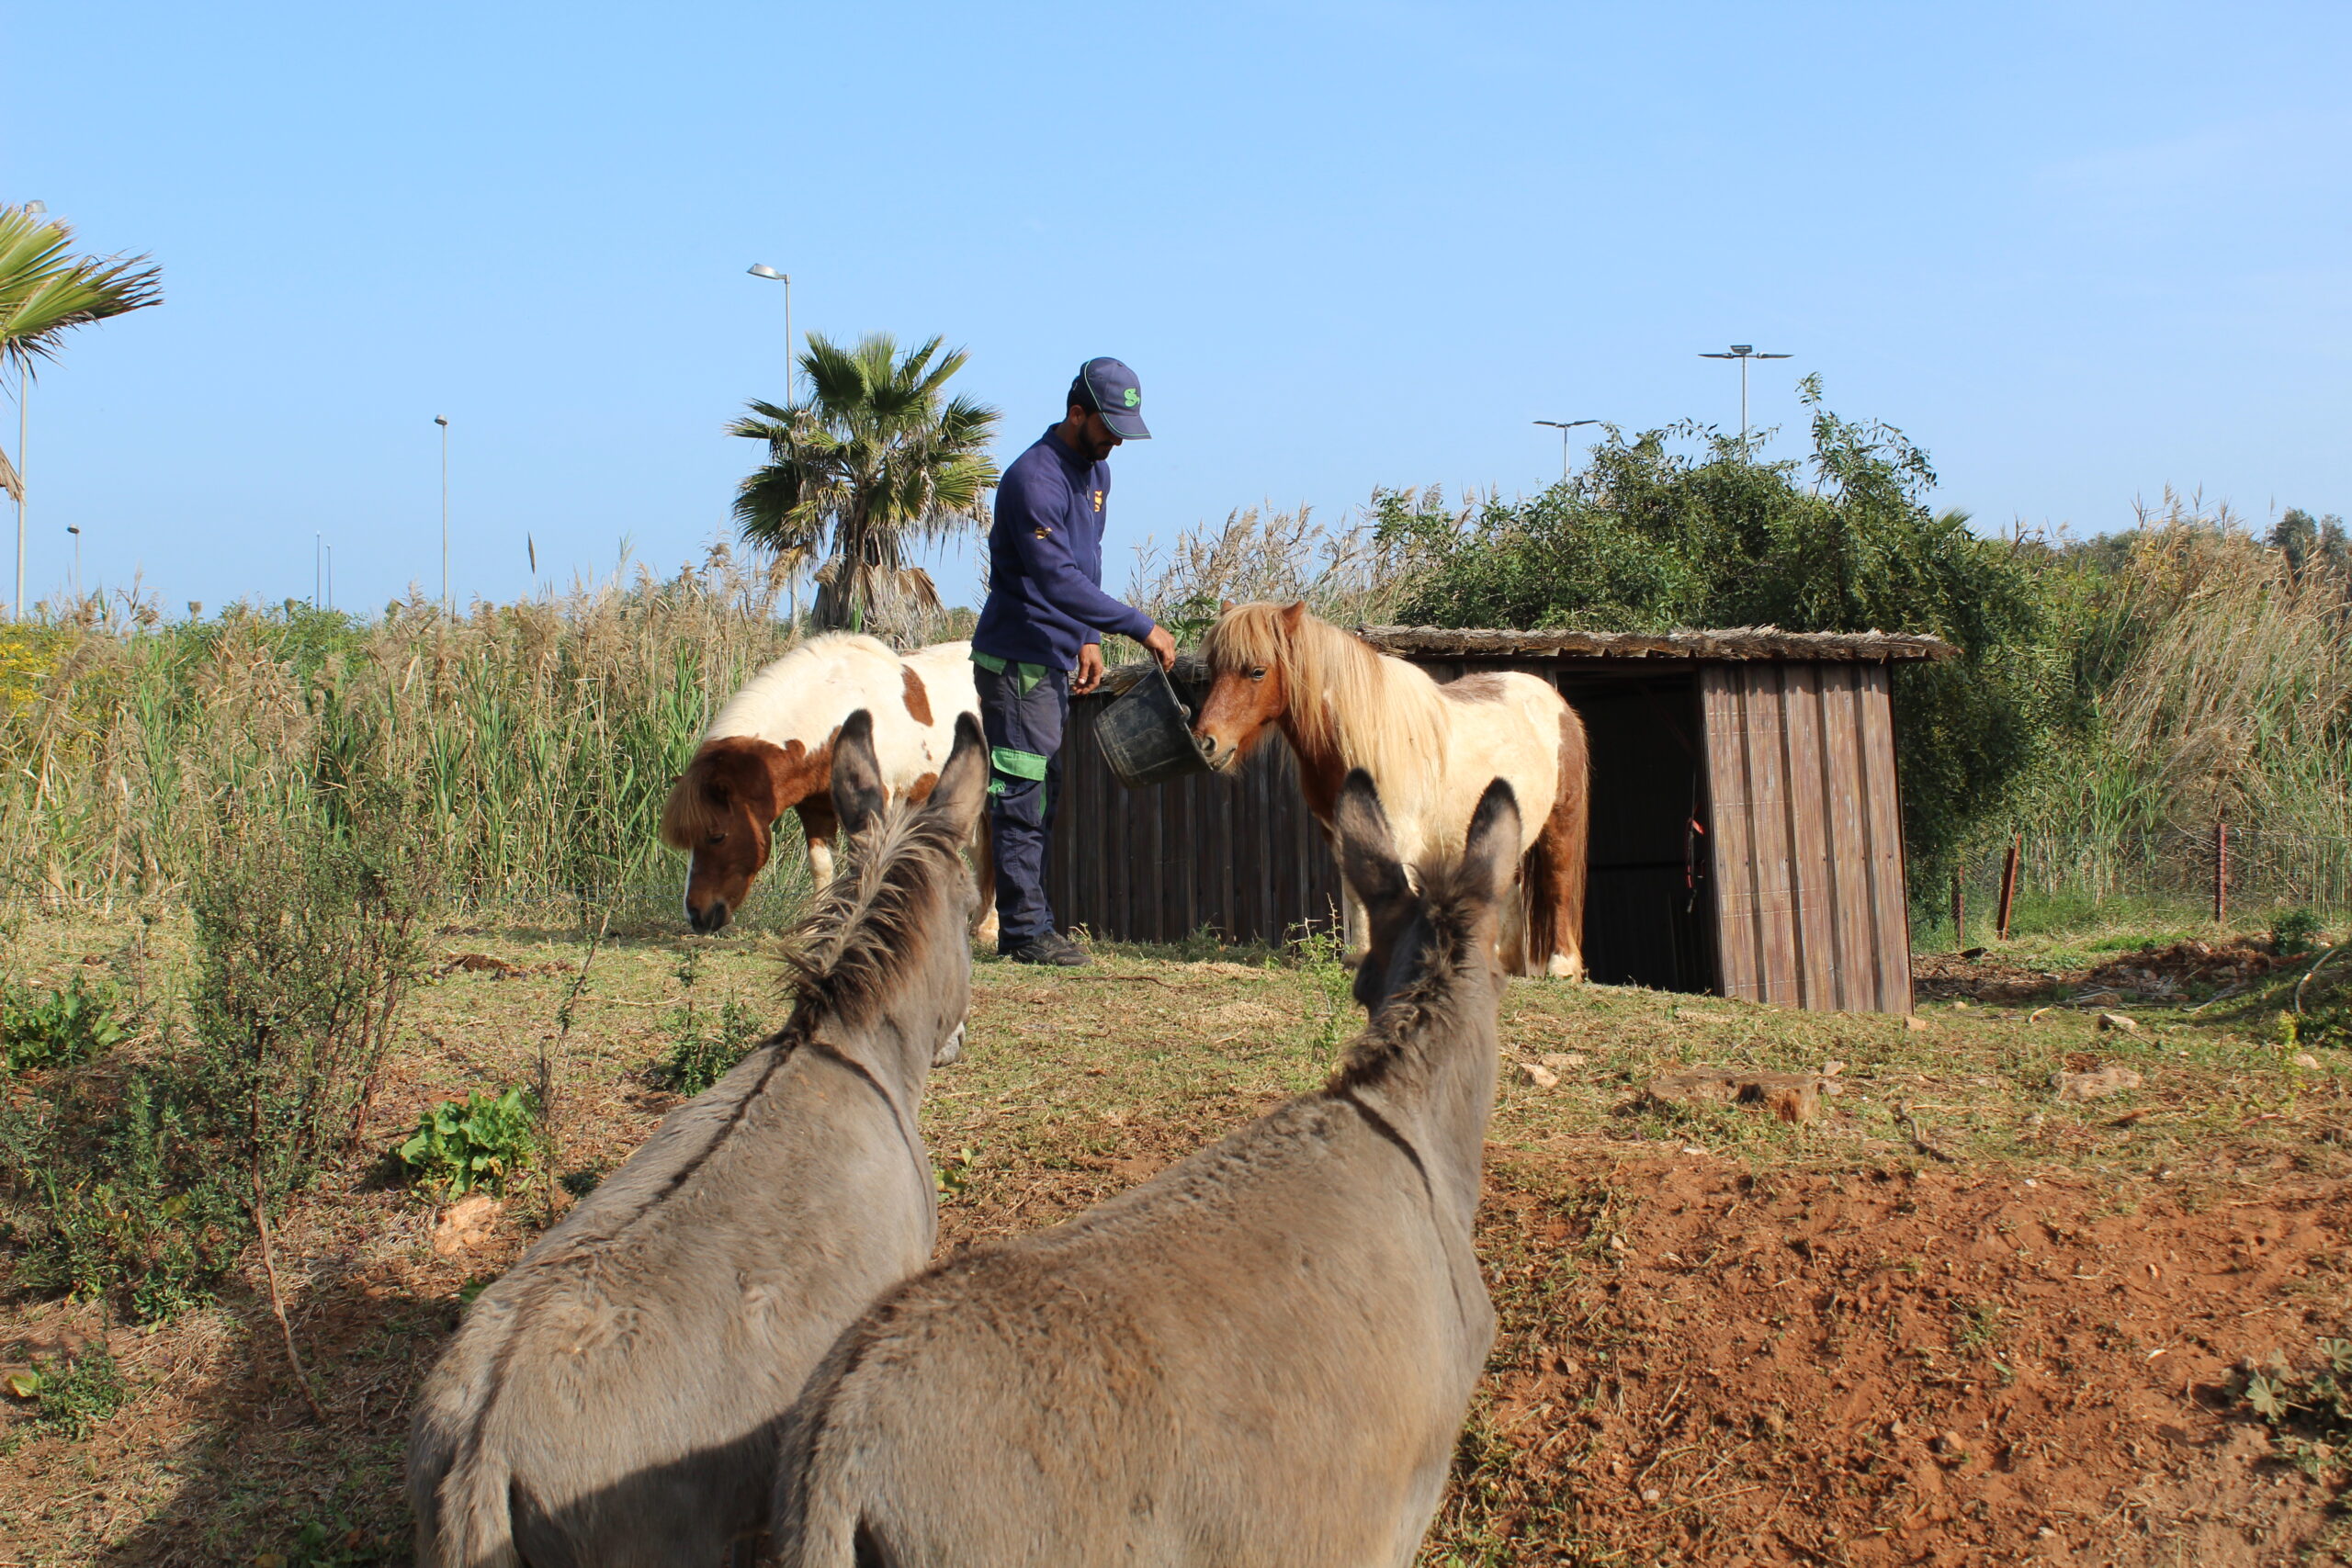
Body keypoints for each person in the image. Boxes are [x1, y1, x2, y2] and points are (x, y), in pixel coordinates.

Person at [969, 356, 1179, 966]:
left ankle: (1029, 922)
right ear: (1076, 412)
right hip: (1017, 662)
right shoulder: (1033, 479)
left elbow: (1085, 561)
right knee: (1021, 792)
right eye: (1107, 426)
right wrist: (1140, 626)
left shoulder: (1096, 475)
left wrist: (1088, 636)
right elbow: (1055, 576)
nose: (1115, 441)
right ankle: (1024, 932)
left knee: (1044, 791)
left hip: (1055, 657)